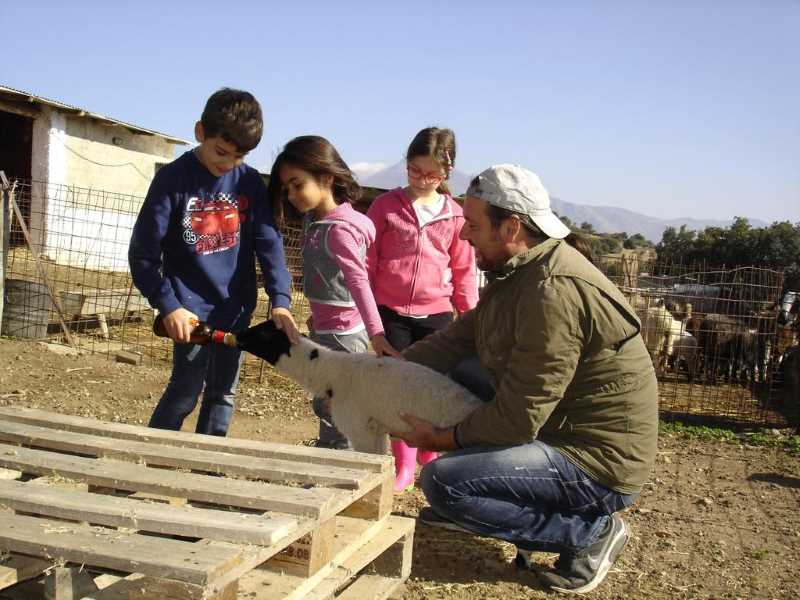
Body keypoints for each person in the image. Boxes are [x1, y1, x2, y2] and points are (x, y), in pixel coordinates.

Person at [392, 164, 659, 595]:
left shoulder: (551, 290)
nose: (464, 236)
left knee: (442, 483)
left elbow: (517, 419)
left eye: (473, 226)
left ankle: (589, 534)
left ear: (511, 226)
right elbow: (457, 341)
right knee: (460, 371)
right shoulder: (521, 271)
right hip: (562, 426)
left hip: (595, 462)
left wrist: (440, 439)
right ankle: (481, 495)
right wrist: (382, 376)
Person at [129, 88, 299, 437]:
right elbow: (143, 254)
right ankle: (149, 460)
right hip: (189, 314)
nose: (227, 163)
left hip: (235, 310)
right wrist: (168, 305)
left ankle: (207, 470)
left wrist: (280, 302)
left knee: (223, 394)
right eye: (221, 152)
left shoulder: (249, 182)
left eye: (238, 156)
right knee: (185, 392)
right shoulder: (172, 180)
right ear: (200, 132)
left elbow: (270, 245)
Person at [268, 135, 399, 449]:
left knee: (335, 410)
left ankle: (340, 472)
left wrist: (377, 335)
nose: (291, 194)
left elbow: (358, 282)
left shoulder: (339, 231)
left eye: (297, 184)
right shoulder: (317, 221)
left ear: (326, 177)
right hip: (326, 330)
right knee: (330, 406)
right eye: (286, 188)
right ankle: (336, 462)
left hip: (343, 337)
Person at [367, 126, 478, 491]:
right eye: (415, 170)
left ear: (447, 173)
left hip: (437, 316)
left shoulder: (456, 216)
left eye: (433, 174)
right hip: (391, 312)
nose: (423, 180)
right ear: (407, 163)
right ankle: (404, 464)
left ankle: (429, 454)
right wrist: (365, 311)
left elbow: (463, 272)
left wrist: (473, 318)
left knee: (431, 389)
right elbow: (368, 263)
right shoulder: (384, 207)